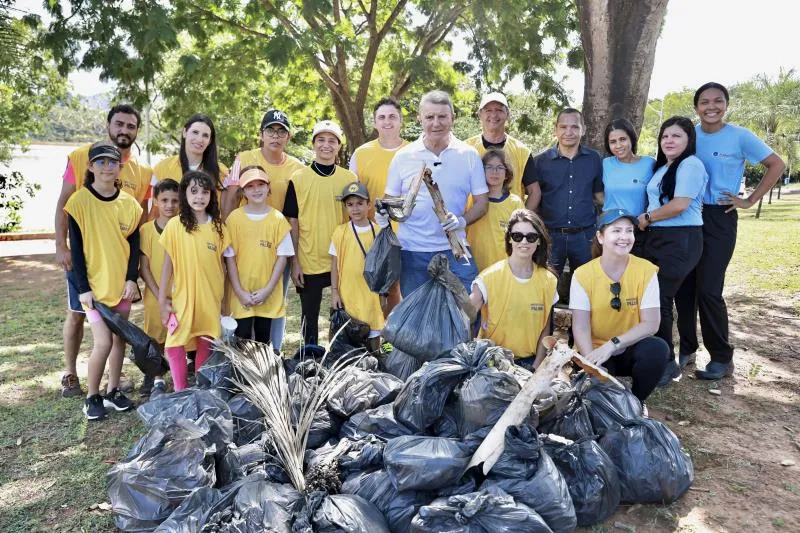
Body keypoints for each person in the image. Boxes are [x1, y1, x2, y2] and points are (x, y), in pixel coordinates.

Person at [676, 82, 786, 380]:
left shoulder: (739, 136)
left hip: (720, 216)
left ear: (726, 104)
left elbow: (776, 164)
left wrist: (749, 200)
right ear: (696, 106)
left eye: (718, 101)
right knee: (684, 287)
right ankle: (686, 350)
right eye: (704, 102)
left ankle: (722, 358)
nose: (711, 107)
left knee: (709, 290)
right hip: (686, 216)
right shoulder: (689, 135)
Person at [54, 104, 152, 398]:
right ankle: (71, 374)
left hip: (118, 266)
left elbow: (140, 221)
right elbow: (64, 204)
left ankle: (113, 382)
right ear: (108, 125)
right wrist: (61, 245)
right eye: (119, 124)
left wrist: (133, 273)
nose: (124, 130)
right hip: (86, 260)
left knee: (116, 328)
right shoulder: (81, 156)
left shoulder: (143, 172)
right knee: (77, 315)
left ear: (136, 132)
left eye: (131, 126)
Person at [63, 142, 143, 420]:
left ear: (120, 166)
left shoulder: (129, 204)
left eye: (113, 162)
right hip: (93, 290)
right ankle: (92, 396)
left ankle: (112, 392)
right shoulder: (80, 202)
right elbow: (76, 250)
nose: (108, 167)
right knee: (103, 343)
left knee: (119, 340)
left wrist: (132, 279)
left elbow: (134, 247)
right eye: (101, 162)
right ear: (90, 166)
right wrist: (83, 288)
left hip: (121, 286)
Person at [385, 90, 489, 295]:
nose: (436, 123)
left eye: (442, 116)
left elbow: (482, 203)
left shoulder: (468, 154)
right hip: (413, 251)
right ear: (420, 119)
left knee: (468, 310)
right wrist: (393, 211)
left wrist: (461, 221)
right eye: (429, 117)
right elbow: (389, 201)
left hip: (455, 249)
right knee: (416, 318)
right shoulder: (403, 156)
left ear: (453, 118)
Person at [223, 109, 304, 354]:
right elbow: (229, 197)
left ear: (288, 137)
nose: (276, 136)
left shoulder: (297, 169)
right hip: (244, 242)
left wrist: (296, 256)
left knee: (273, 300)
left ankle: (272, 352)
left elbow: (296, 214)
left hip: (279, 243)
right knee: (241, 302)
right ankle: (238, 356)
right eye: (270, 130)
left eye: (281, 131)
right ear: (261, 134)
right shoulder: (243, 159)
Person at [570, 209, 669, 404]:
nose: (624, 237)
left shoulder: (646, 270)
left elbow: (651, 324)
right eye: (616, 231)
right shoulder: (582, 275)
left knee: (657, 349)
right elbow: (580, 325)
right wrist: (591, 364)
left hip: (629, 348)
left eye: (629, 231)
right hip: (596, 350)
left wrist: (613, 344)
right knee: (600, 396)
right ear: (600, 237)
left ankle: (636, 403)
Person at [637, 116, 708, 386]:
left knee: (661, 298)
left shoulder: (690, 164)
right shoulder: (664, 167)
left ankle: (668, 364)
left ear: (689, 140)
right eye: (665, 136)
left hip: (681, 238)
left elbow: (679, 204)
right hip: (659, 238)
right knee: (653, 296)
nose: (669, 140)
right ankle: (657, 351)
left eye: (676, 136)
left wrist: (648, 217)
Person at [283, 120, 356, 345]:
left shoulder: (349, 179)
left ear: (339, 146)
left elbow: (354, 219)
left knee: (343, 314)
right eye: (321, 140)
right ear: (314, 144)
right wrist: (294, 261)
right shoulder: (298, 178)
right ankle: (311, 359)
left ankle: (341, 356)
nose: (326, 145)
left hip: (341, 260)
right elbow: (292, 222)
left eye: (332, 141)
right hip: (309, 258)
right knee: (310, 317)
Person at [158, 171, 230, 391]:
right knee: (174, 343)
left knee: (206, 341)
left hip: (210, 296)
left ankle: (200, 389)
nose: (199, 197)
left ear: (211, 196)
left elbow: (226, 268)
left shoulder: (219, 228)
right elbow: (167, 266)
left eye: (205, 192)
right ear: (185, 194)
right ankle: (181, 390)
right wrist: (162, 301)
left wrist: (225, 303)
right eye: (194, 191)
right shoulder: (174, 225)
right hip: (183, 297)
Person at [469, 208, 558, 369]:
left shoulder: (549, 280)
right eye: (517, 236)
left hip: (529, 363)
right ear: (509, 239)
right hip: (492, 364)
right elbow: (465, 316)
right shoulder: (488, 278)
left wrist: (535, 367)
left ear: (539, 241)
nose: (524, 242)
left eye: (531, 237)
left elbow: (546, 329)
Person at [524, 108, 603, 277]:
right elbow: (532, 196)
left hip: (585, 237)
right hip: (550, 236)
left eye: (574, 127)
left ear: (583, 129)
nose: (569, 132)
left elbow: (599, 197)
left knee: (587, 285)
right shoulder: (540, 162)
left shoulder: (594, 159)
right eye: (563, 127)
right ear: (555, 129)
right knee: (546, 286)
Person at [349, 97, 408, 315]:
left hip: (407, 233)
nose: (387, 122)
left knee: (397, 289)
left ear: (401, 121)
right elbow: (355, 195)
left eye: (392, 117)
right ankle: (373, 339)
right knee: (373, 289)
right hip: (373, 234)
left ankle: (394, 339)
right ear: (374, 123)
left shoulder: (413, 152)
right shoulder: (361, 153)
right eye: (381, 117)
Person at [225, 166, 294, 344]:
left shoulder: (277, 219)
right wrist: (240, 292)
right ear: (243, 191)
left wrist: (267, 290)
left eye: (260, 184)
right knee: (242, 338)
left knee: (263, 340)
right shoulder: (234, 219)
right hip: (241, 294)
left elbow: (283, 257)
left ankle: (262, 371)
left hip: (267, 294)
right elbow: (230, 258)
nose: (256, 190)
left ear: (268, 187)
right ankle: (243, 372)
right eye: (250, 186)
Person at [329, 182, 384, 354]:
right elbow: (334, 265)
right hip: (348, 294)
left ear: (369, 205)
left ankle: (375, 366)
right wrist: (335, 292)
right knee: (349, 339)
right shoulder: (340, 232)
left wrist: (384, 293)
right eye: (350, 205)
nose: (355, 209)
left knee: (373, 339)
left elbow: (385, 266)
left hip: (372, 297)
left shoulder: (379, 232)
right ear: (345, 207)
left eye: (360, 203)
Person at [138, 178, 180, 397]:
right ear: (155, 201)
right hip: (155, 296)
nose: (169, 205)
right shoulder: (146, 230)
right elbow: (144, 267)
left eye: (174, 200)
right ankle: (154, 375)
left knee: (178, 334)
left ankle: (179, 374)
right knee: (156, 337)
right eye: (164, 200)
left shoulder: (184, 228)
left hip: (181, 295)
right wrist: (160, 295)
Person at [151, 114, 228, 217]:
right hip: (171, 231)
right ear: (184, 132)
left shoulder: (222, 171)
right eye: (195, 132)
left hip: (208, 231)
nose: (199, 139)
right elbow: (154, 211)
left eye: (205, 135)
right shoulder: (162, 167)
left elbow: (226, 210)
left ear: (210, 141)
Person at [602, 118, 656, 257]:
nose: (618, 145)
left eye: (623, 139)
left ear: (632, 138)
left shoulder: (649, 164)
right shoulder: (605, 164)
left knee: (636, 275)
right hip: (611, 229)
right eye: (613, 142)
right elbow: (596, 192)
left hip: (639, 229)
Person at [466, 92, 534, 198]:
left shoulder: (522, 151)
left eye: (499, 110)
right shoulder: (466, 148)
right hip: (474, 214)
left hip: (510, 214)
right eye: (488, 110)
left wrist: (522, 214)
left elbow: (534, 192)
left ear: (507, 114)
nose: (493, 115)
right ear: (480, 114)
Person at [466, 149, 525, 271]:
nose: (495, 172)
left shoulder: (515, 202)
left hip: (504, 268)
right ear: (481, 171)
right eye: (489, 167)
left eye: (500, 167)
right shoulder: (471, 200)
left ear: (507, 174)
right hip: (474, 266)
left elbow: (521, 237)